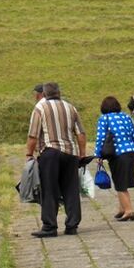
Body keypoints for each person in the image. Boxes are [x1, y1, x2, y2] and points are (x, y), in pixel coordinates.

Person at [26, 82, 86, 237]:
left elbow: (33, 135)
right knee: (71, 189)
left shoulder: (40, 108)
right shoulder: (70, 107)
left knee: (49, 188)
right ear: (59, 93)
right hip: (70, 153)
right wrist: (82, 153)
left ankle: (49, 226)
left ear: (44, 94)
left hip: (50, 153)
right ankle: (72, 225)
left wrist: (29, 154)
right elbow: (80, 133)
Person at [94, 96, 134, 221]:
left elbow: (100, 138)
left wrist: (98, 155)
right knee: (123, 181)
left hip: (117, 154)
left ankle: (129, 210)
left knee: (120, 184)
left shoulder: (104, 119)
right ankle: (122, 208)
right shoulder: (126, 117)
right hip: (131, 152)